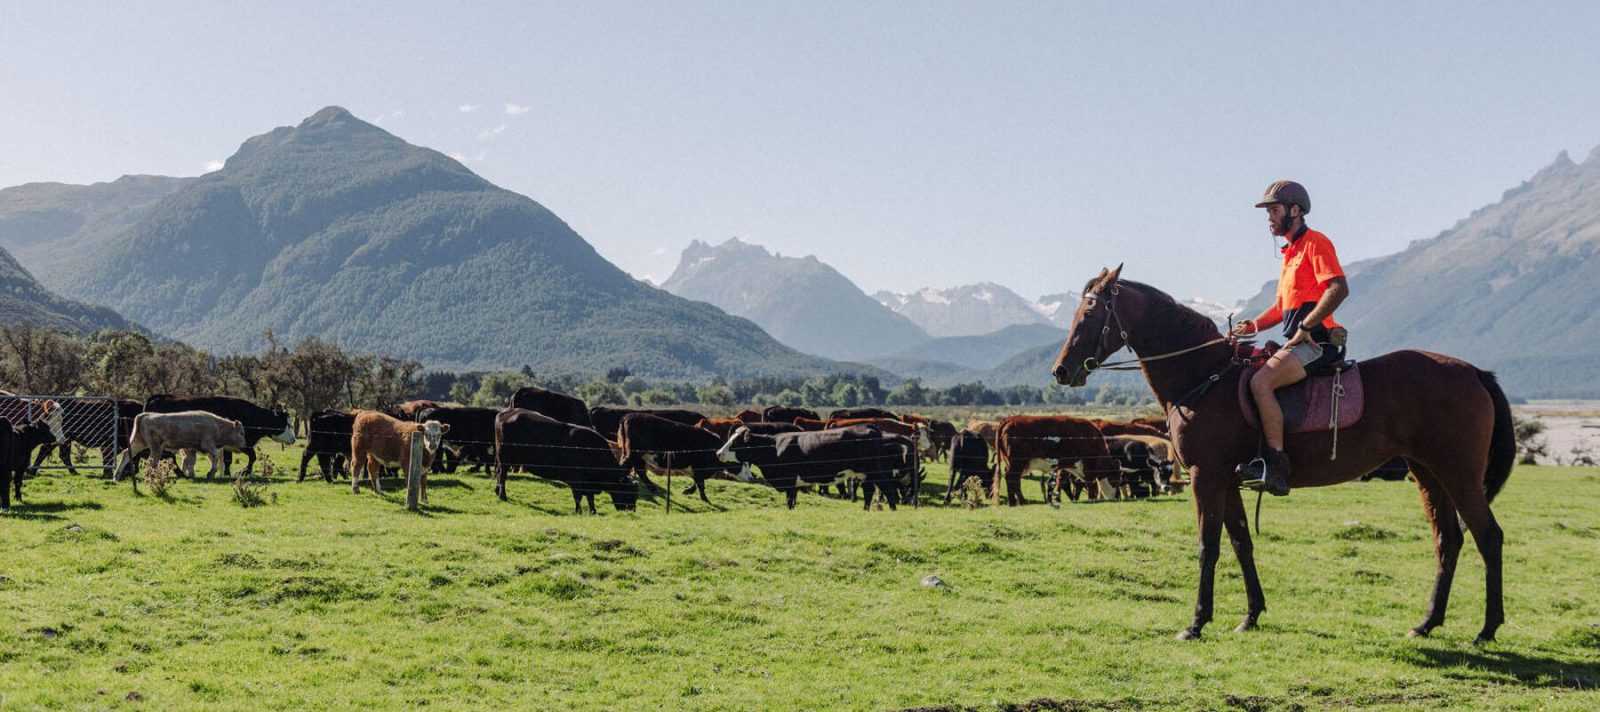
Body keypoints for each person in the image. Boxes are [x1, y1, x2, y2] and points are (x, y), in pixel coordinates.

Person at [1228, 180, 1349, 496]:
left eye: (1274, 210)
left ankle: (1275, 466)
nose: (1269, 218)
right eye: (1268, 211)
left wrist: (1307, 326)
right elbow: (1282, 307)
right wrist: (1252, 326)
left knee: (1261, 383)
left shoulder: (1315, 243)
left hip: (1317, 342)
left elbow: (1338, 288)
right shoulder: (1290, 254)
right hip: (1299, 341)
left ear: (1295, 211)